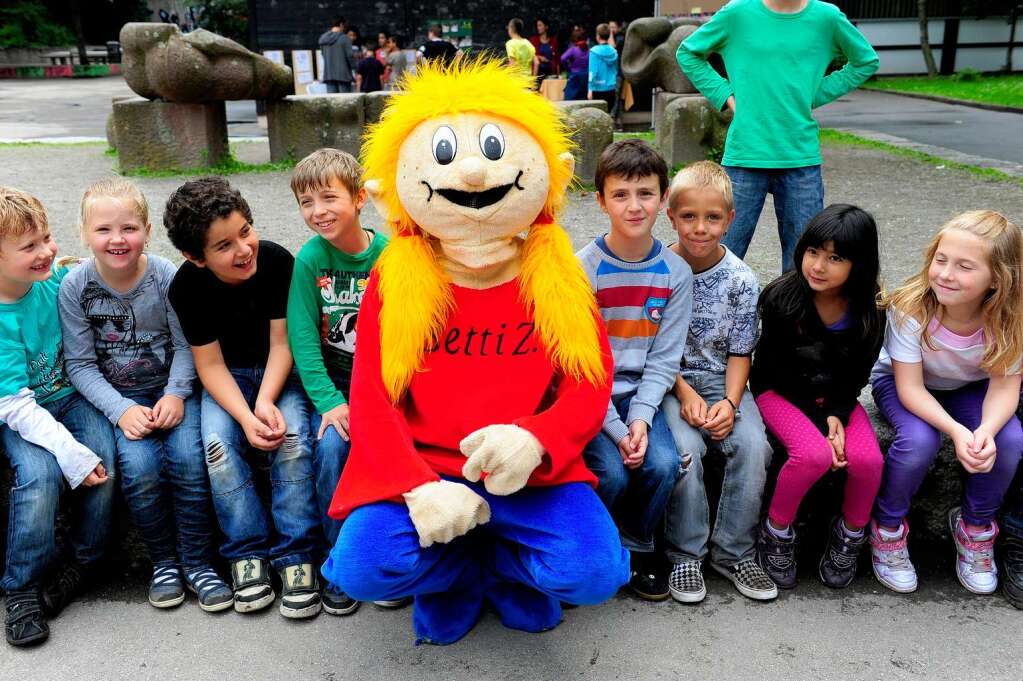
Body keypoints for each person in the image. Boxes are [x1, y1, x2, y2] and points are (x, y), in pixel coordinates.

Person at [322, 60, 627, 645]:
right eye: (445, 153)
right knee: (360, 568)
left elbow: (589, 384)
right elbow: (371, 397)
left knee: (595, 574)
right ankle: (457, 573)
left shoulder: (557, 274)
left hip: (528, 468)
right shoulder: (398, 277)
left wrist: (536, 439)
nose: (470, 169)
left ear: (551, 172)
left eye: (493, 149)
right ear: (392, 191)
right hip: (431, 468)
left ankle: (499, 564)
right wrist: (417, 485)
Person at [58, 178, 232, 613]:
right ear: (84, 234)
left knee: (192, 463)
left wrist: (176, 394)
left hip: (174, 390)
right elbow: (79, 364)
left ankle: (198, 562)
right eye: (103, 230)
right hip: (121, 400)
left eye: (128, 228)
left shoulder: (166, 277)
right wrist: (120, 411)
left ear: (148, 230)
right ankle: (165, 563)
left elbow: (185, 345)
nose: (117, 239)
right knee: (139, 470)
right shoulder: (75, 288)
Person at [165, 177, 322, 619]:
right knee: (218, 447)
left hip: (278, 374)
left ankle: (297, 555)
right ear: (195, 257)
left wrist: (266, 402)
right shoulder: (186, 288)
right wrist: (245, 415)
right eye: (224, 246)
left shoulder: (275, 262)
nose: (243, 248)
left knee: (291, 439)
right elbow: (209, 365)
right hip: (227, 380)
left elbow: (282, 344)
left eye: (245, 231)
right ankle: (245, 553)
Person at [869, 211, 1023, 596]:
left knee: (1008, 440)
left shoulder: (1011, 318)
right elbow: (911, 389)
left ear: (998, 279)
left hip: (970, 386)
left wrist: (984, 430)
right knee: (919, 442)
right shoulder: (912, 308)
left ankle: (975, 528)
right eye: (941, 259)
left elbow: (1005, 387)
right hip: (906, 383)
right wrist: (956, 431)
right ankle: (887, 528)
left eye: (964, 267)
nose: (946, 274)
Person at [676, 0, 879, 272]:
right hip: (745, 154)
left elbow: (865, 61)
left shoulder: (826, 18)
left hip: (800, 158)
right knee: (718, 257)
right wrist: (725, 96)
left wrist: (813, 95)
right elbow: (688, 53)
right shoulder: (738, 13)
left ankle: (791, 315)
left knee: (803, 265)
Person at [577, 139, 692, 601]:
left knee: (664, 463)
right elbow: (581, 363)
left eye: (645, 193)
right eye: (620, 194)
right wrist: (615, 428)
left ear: (663, 199)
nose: (634, 205)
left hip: (643, 392)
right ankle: (594, 546)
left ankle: (638, 544)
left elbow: (664, 359)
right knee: (612, 473)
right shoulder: (582, 269)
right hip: (591, 396)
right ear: (600, 199)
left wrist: (640, 420)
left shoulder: (674, 272)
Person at [0, 186, 113, 647]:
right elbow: (14, 406)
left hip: (68, 396)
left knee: (106, 452)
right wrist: (69, 453)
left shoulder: (50, 283)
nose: (48, 250)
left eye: (46, 238)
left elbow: (83, 277)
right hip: (19, 412)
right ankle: (22, 585)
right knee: (40, 474)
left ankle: (83, 563)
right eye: (30, 247)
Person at [752, 205, 886, 590]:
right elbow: (770, 371)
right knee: (812, 455)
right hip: (780, 393)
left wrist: (839, 413)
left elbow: (858, 371)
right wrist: (823, 420)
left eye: (835, 258)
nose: (819, 265)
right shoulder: (782, 299)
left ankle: (850, 535)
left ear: (858, 264)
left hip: (836, 399)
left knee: (868, 460)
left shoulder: (870, 309)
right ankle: (776, 532)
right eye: (813, 252)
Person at [660, 162, 777, 603]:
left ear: (730, 219)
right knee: (684, 451)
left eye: (712, 218)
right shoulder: (658, 270)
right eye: (689, 216)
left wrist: (730, 403)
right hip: (670, 381)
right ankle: (685, 554)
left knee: (753, 446)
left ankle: (733, 551)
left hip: (723, 381)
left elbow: (740, 352)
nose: (700, 228)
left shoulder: (741, 280)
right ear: (671, 216)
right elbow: (651, 349)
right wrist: (683, 392)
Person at [286, 149, 389, 616]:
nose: (318, 211)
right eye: (306, 202)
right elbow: (303, 338)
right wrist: (329, 402)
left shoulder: (389, 254)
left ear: (360, 198)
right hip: (332, 381)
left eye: (329, 197)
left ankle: (387, 557)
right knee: (329, 450)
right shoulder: (311, 259)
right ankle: (337, 561)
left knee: (389, 451)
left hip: (382, 382)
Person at [319, 16, 357, 93]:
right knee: (345, 102)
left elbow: (323, 55)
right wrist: (356, 68)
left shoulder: (322, 38)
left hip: (328, 75)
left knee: (332, 102)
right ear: (341, 24)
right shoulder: (345, 38)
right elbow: (350, 56)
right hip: (344, 76)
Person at [588, 23, 618, 112]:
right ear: (609, 36)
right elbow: (615, 70)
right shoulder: (614, 52)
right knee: (608, 114)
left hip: (597, 88)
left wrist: (590, 88)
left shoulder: (593, 52)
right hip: (611, 87)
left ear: (597, 36)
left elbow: (592, 72)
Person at [560, 26, 589, 101]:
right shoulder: (589, 50)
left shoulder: (573, 49)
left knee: (570, 101)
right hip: (586, 77)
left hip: (574, 77)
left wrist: (568, 68)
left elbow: (562, 58)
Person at [529, 17, 559, 82]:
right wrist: (539, 57)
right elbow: (529, 56)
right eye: (537, 26)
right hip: (538, 73)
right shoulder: (533, 40)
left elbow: (557, 59)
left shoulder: (554, 41)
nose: (538, 28)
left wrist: (558, 74)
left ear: (546, 27)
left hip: (551, 73)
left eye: (540, 25)